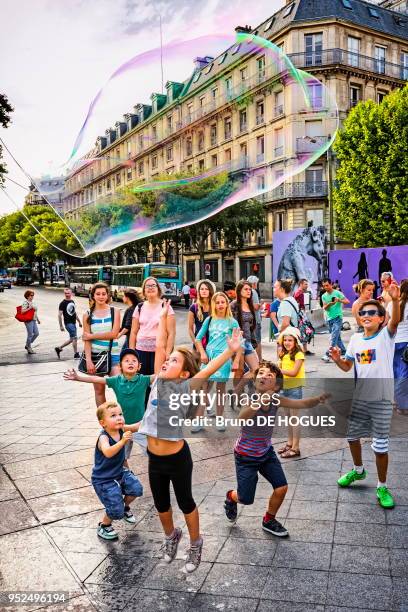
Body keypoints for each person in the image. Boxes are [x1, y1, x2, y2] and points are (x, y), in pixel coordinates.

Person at [139, 300, 242, 572]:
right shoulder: (158, 381)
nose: (167, 361)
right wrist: (163, 318)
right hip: (154, 458)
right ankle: (171, 536)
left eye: (174, 361)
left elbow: (207, 370)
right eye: (168, 359)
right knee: (161, 504)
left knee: (185, 502)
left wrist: (230, 352)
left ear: (184, 373)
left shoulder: (185, 386)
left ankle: (195, 544)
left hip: (176, 459)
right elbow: (161, 345)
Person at [224, 360, 329, 535]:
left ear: (276, 385)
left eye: (269, 375)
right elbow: (242, 417)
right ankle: (231, 497)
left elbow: (301, 404)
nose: (264, 376)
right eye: (261, 373)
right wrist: (259, 401)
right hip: (245, 456)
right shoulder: (248, 398)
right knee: (245, 498)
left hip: (266, 453)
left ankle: (269, 520)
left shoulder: (276, 399)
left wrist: (317, 400)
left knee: (281, 487)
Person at [330, 284, 400, 508]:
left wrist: (396, 301)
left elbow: (395, 321)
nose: (366, 315)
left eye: (372, 313)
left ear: (381, 318)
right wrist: (337, 359)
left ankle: (382, 486)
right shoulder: (356, 340)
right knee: (352, 437)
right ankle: (358, 471)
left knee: (380, 447)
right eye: (362, 313)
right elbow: (346, 366)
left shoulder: (386, 336)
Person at [64, 348, 150, 463]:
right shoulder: (116, 380)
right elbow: (96, 379)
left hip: (141, 426)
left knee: (153, 452)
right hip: (121, 426)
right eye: (127, 360)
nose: (130, 362)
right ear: (120, 366)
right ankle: (126, 474)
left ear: (139, 366)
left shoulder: (144, 380)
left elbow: (159, 376)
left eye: (134, 361)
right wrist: (78, 378)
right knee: (121, 457)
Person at [90, 401, 143, 540]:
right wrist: (122, 442)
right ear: (103, 423)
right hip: (104, 479)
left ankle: (125, 508)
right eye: (113, 416)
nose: (119, 417)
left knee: (136, 489)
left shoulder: (121, 430)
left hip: (120, 472)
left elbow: (137, 426)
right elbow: (108, 452)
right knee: (115, 509)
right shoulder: (104, 437)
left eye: (120, 414)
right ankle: (105, 526)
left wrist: (152, 416)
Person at [196, 292, 241, 431]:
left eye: (223, 302)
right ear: (213, 304)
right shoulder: (209, 320)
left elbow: (238, 342)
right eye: (218, 302)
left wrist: (236, 361)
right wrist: (202, 353)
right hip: (208, 357)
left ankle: (220, 419)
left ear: (227, 304)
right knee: (204, 390)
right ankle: (199, 420)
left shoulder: (232, 322)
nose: (220, 305)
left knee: (221, 390)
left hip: (223, 359)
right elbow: (198, 339)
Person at [81, 282, 121, 406]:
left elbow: (114, 334)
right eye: (98, 294)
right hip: (95, 357)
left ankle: (124, 421)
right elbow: (86, 340)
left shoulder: (115, 311)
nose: (101, 296)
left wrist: (92, 336)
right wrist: (88, 360)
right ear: (93, 296)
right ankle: (104, 423)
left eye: (104, 294)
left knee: (120, 388)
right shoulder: (87, 314)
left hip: (113, 355)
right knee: (99, 391)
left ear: (108, 295)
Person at [129, 277, 175, 375]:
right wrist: (132, 352)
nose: (150, 288)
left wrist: (168, 353)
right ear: (144, 290)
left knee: (158, 382)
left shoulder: (166, 306)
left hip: (159, 351)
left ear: (158, 288)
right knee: (141, 382)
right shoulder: (139, 307)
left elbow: (171, 333)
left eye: (153, 285)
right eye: (147, 286)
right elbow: (133, 332)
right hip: (140, 351)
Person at [188, 279, 215, 432]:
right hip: (198, 350)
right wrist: (197, 345)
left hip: (214, 349)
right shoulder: (194, 307)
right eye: (201, 289)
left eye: (206, 288)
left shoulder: (215, 306)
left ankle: (207, 404)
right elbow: (191, 330)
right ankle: (200, 416)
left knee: (208, 383)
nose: (203, 291)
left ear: (210, 290)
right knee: (201, 384)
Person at [277, 327, 305, 458]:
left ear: (295, 341)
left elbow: (294, 372)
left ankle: (296, 447)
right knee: (287, 418)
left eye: (290, 340)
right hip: (284, 388)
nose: (287, 342)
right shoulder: (283, 354)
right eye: (285, 340)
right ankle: (289, 443)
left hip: (294, 389)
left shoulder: (299, 354)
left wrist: (279, 370)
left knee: (294, 419)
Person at [230, 280, 260, 394]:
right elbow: (230, 324)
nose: (249, 291)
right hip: (238, 342)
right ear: (239, 291)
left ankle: (235, 392)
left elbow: (252, 326)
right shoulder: (233, 305)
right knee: (239, 370)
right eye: (246, 289)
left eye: (250, 290)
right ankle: (238, 395)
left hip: (248, 342)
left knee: (256, 370)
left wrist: (253, 342)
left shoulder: (250, 304)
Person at [388, 279, 408, 415]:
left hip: (393, 342)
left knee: (395, 372)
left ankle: (395, 401)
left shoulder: (391, 304)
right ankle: (402, 405)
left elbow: (386, 322)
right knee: (404, 373)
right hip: (406, 343)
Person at [321, 278, 350, 363]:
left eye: (327, 285)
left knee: (333, 337)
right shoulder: (324, 296)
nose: (326, 287)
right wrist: (330, 304)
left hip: (338, 318)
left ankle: (327, 354)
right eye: (324, 286)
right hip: (329, 319)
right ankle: (344, 352)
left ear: (331, 284)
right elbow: (325, 308)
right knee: (337, 338)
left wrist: (339, 300)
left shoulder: (337, 293)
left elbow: (347, 301)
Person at [55, 287, 82, 359]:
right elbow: (59, 315)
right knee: (75, 338)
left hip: (73, 323)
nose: (67, 294)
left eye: (68, 293)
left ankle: (59, 348)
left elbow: (74, 312)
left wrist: (79, 322)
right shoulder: (62, 303)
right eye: (65, 293)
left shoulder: (72, 302)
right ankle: (76, 354)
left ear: (71, 293)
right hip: (68, 323)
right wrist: (61, 326)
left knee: (71, 339)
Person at [293, 278, 314, 355]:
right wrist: (302, 315)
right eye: (305, 284)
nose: (307, 285)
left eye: (307, 284)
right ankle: (302, 350)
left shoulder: (299, 293)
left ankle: (304, 349)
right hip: (300, 316)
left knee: (305, 331)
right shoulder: (299, 293)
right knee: (304, 331)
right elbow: (298, 306)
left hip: (301, 315)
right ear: (301, 284)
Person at [247, 275, 262, 360]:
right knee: (257, 341)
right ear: (254, 283)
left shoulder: (248, 292)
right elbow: (256, 307)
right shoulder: (253, 291)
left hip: (251, 319)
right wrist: (260, 304)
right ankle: (259, 359)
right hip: (256, 319)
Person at [21, 290, 40, 354]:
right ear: (27, 296)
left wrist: (38, 319)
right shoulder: (25, 302)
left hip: (34, 320)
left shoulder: (32, 302)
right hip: (28, 320)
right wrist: (29, 308)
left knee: (36, 333)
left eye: (33, 295)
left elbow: (34, 312)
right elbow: (22, 312)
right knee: (30, 334)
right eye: (31, 295)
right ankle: (29, 347)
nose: (32, 296)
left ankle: (27, 344)